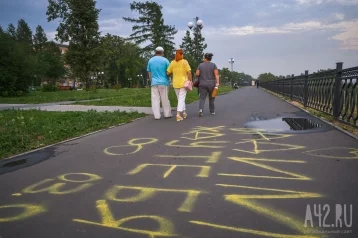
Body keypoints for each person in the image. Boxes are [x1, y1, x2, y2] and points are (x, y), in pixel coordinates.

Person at [147, 46, 172, 120]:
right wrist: (169, 78)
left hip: (154, 82)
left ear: (155, 52)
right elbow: (169, 71)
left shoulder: (150, 60)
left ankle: (157, 115)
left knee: (155, 99)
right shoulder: (165, 60)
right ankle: (167, 114)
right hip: (164, 82)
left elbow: (149, 72)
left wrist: (151, 80)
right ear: (162, 52)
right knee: (165, 98)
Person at [167, 49, 192, 121]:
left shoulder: (172, 63)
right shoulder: (185, 62)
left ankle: (184, 112)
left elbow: (168, 73)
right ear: (182, 54)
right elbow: (189, 72)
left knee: (180, 99)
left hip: (175, 83)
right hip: (184, 83)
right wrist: (190, 80)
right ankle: (178, 114)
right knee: (181, 99)